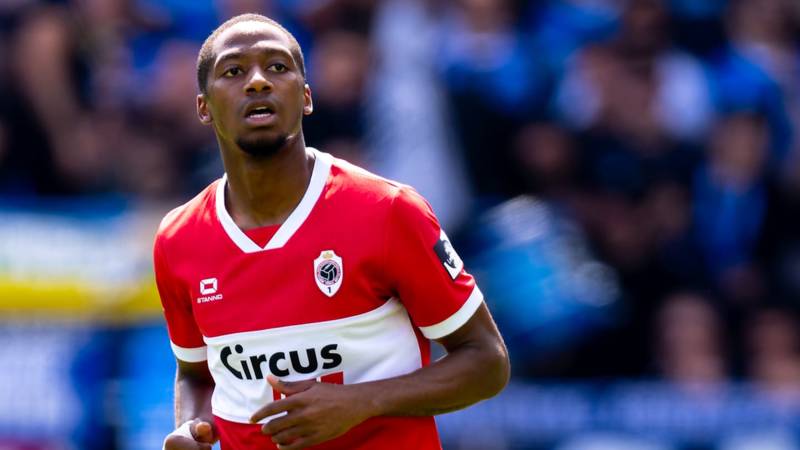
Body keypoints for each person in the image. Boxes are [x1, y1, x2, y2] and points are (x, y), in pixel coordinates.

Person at [153, 13, 510, 450]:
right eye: (234, 71)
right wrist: (192, 427)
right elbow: (196, 374)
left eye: (277, 67)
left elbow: (487, 361)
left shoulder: (388, 211)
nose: (258, 82)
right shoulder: (178, 239)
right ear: (204, 107)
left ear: (306, 97)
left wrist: (362, 402)